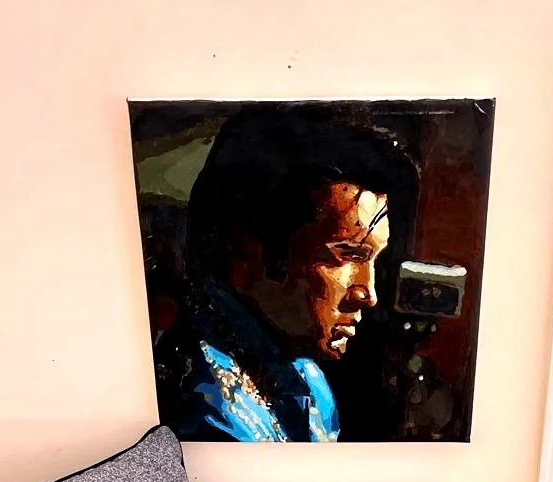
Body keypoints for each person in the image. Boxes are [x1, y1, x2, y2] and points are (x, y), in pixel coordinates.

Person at [154, 107, 418, 442]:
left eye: (374, 260)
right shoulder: (206, 411)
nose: (368, 294)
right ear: (246, 254)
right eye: (348, 255)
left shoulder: (307, 378)